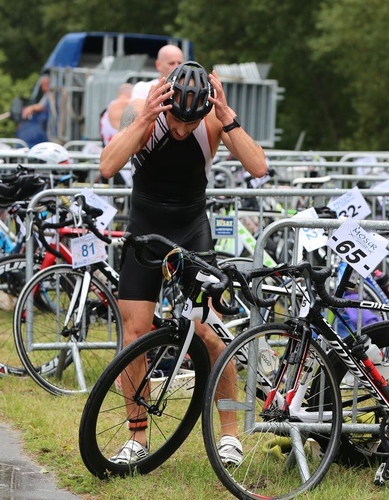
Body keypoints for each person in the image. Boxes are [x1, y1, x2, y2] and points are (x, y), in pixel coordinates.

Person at [99, 61, 268, 465]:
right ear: (167, 101)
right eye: (176, 119)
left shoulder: (210, 122)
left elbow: (259, 167)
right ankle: (137, 437)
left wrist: (229, 121)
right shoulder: (145, 113)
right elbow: (107, 166)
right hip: (146, 227)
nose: (180, 130)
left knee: (208, 332)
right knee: (134, 334)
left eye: (190, 123)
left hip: (191, 229)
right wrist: (143, 120)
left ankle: (230, 434)